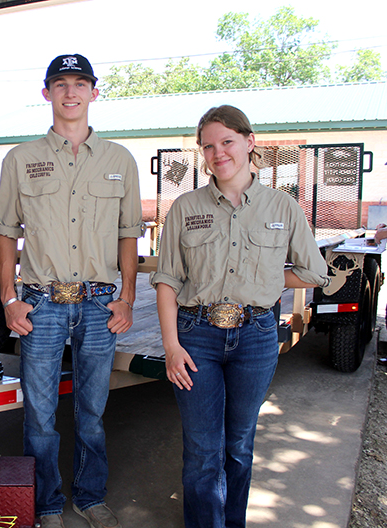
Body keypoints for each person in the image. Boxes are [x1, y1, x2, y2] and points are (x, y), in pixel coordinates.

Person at [151, 105, 330, 528]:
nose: (218, 153)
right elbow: (167, 280)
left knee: (239, 445)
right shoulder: (185, 207)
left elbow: (315, 273)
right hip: (196, 337)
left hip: (256, 337)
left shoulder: (282, 207)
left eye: (227, 141)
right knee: (202, 449)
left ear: (250, 142)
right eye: (208, 146)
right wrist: (171, 346)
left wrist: (266, 279)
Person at [0, 54, 143, 528]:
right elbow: (6, 234)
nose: (70, 92)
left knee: (92, 411)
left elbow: (129, 234)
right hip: (41, 302)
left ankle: (90, 496)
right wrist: (9, 299)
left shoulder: (120, 160)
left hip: (99, 304)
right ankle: (47, 505)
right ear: (47, 93)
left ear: (94, 92)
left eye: (80, 83)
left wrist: (127, 297)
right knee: (39, 415)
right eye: (61, 84)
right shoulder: (21, 160)